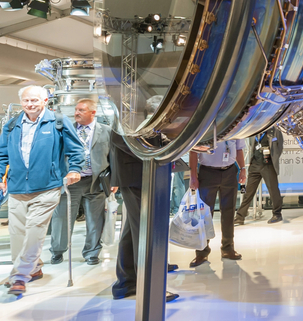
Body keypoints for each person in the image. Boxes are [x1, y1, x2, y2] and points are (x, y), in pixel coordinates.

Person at [0, 86, 84, 296]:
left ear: (45, 101)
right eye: (26, 100)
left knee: (34, 230)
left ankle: (19, 277)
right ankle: (34, 268)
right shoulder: (12, 125)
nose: (30, 104)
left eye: (34, 100)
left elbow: (76, 149)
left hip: (47, 187)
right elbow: (0, 155)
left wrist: (75, 169)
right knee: (17, 234)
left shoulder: (58, 122)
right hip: (17, 188)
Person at [109, 130, 178, 302]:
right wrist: (155, 153)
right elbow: (120, 137)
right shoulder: (127, 113)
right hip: (136, 171)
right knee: (145, 231)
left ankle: (126, 283)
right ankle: (150, 288)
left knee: (133, 230)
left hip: (137, 171)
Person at [49, 99, 109, 266]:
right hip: (70, 181)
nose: (77, 113)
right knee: (62, 217)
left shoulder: (106, 131)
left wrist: (114, 180)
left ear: (93, 113)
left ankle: (92, 253)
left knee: (95, 220)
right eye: (76, 110)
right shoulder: (66, 130)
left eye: (81, 110)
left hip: (96, 181)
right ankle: (57, 251)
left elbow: (113, 156)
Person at [188, 138, 246, 267]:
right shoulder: (205, 128)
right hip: (207, 173)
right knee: (204, 214)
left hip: (230, 172)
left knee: (229, 212)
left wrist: (243, 168)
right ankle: (201, 252)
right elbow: (193, 152)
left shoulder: (235, 128)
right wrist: (193, 175)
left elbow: (239, 149)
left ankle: (228, 249)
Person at [235, 127, 284, 225]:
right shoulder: (255, 129)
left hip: (268, 165)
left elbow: (279, 148)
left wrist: (273, 158)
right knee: (249, 192)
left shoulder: (275, 131)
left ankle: (277, 214)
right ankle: (240, 216)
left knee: (273, 190)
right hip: (255, 164)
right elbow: (253, 146)